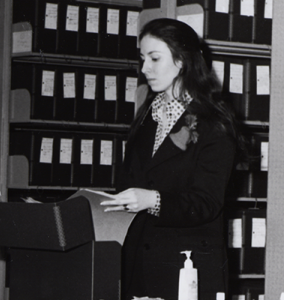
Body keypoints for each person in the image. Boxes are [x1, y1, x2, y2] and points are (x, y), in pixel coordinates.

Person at [99, 18, 246, 300]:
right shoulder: (146, 115)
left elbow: (207, 202)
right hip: (138, 266)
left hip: (186, 268)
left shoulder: (212, 122)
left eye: (155, 58)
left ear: (181, 61)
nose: (145, 68)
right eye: (142, 58)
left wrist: (152, 200)